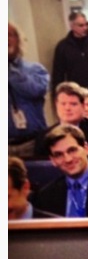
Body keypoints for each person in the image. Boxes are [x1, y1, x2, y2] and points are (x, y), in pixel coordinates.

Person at [35, 81, 88, 165]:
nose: (67, 108)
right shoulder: (44, 136)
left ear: (83, 106)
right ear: (56, 105)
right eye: (63, 104)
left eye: (73, 104)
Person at [8, 22, 50, 158]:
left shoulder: (35, 69)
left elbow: (35, 90)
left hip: (32, 142)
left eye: (9, 35)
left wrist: (10, 70)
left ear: (18, 39)